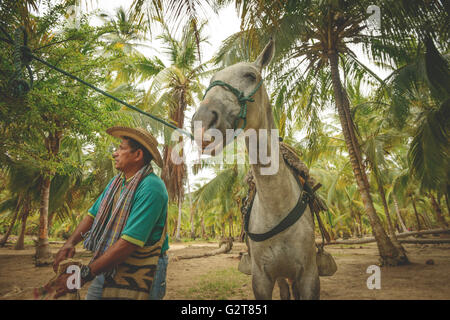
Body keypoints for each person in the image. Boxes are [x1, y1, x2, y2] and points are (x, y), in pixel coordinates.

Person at [52, 126, 169, 300]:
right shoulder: (116, 183)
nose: (115, 153)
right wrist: (70, 243)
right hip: (110, 262)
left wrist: (83, 275)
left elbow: (129, 243)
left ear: (137, 155)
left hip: (141, 267)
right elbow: (92, 216)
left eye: (121, 148)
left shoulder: (151, 188)